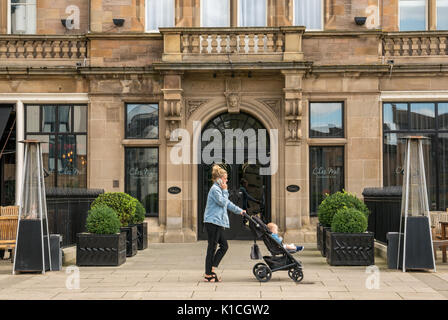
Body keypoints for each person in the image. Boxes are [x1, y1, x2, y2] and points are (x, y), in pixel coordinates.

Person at [203, 164, 246, 282]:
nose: (227, 180)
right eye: (225, 178)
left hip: (217, 222)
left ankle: (211, 269)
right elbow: (223, 202)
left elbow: (227, 203)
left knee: (224, 246)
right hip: (212, 222)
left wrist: (240, 211)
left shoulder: (219, 189)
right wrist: (225, 190)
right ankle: (208, 274)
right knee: (212, 247)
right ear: (219, 179)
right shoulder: (215, 189)